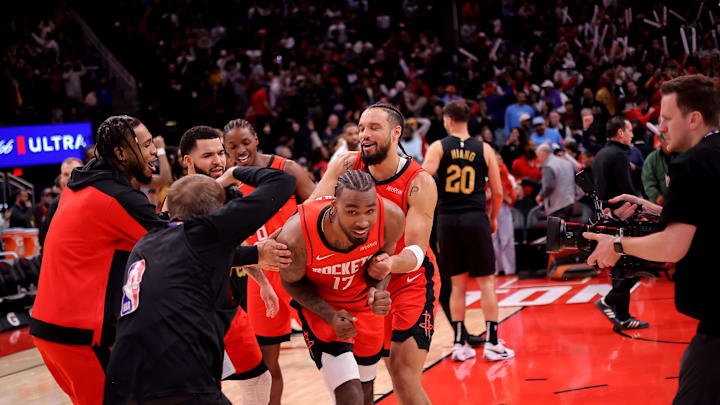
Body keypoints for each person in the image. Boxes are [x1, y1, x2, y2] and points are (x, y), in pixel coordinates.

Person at [104, 166, 296, 405]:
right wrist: (235, 172)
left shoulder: (146, 242)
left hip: (121, 384)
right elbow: (283, 181)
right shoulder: (205, 235)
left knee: (257, 379)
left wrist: (255, 254)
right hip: (177, 382)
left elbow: (205, 254)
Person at [582, 74, 720, 405]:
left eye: (667, 118)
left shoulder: (691, 164)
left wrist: (616, 245)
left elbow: (673, 246)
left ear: (694, 118)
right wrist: (647, 205)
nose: (660, 127)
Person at [30, 116, 165, 405]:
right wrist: (253, 254)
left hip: (51, 328)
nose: (154, 151)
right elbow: (180, 248)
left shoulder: (80, 186)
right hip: (80, 336)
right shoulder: (116, 198)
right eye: (145, 145)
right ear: (120, 154)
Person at [310, 103, 440, 404]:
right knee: (361, 378)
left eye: (373, 128)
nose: (363, 134)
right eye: (361, 127)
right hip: (362, 283)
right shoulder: (345, 165)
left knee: (403, 375)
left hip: (409, 281)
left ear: (397, 133)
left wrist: (389, 262)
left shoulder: (419, 182)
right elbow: (310, 213)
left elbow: (416, 251)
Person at [278, 170, 405, 405]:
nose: (362, 221)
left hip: (362, 307)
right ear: (334, 206)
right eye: (352, 212)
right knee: (351, 397)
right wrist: (329, 314)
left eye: (369, 211)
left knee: (366, 395)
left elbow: (383, 261)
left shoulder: (392, 218)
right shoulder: (296, 237)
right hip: (323, 309)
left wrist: (378, 289)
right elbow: (290, 282)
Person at [223, 118, 315, 405]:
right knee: (265, 362)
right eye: (232, 147)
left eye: (245, 143)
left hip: (301, 270)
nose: (240, 150)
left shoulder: (286, 169)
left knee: (330, 349)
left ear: (257, 140)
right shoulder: (227, 183)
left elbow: (318, 207)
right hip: (261, 276)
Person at [422, 99, 514, 362]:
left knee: (457, 284)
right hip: (476, 218)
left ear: (448, 120)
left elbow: (423, 179)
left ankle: (460, 343)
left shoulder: (439, 146)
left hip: (448, 220)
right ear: (467, 119)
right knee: (487, 283)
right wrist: (494, 218)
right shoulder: (484, 149)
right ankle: (493, 343)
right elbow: (497, 191)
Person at [591, 116, 648, 331]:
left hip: (607, 217)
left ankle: (623, 317)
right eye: (630, 130)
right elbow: (627, 192)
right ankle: (609, 300)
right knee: (641, 263)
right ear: (620, 133)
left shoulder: (601, 154)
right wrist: (639, 211)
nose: (633, 134)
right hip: (624, 216)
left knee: (620, 268)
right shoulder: (618, 155)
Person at [535, 144, 579, 219]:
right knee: (568, 229)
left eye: (538, 156)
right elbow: (577, 178)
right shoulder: (567, 163)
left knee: (556, 230)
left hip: (557, 205)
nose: (538, 159)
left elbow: (549, 186)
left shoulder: (548, 165)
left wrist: (541, 196)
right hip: (570, 202)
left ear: (543, 154)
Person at [641, 133, 676, 205]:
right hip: (658, 204)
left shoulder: (682, 155)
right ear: (660, 140)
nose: (669, 142)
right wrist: (656, 196)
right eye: (667, 140)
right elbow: (647, 181)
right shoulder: (652, 158)